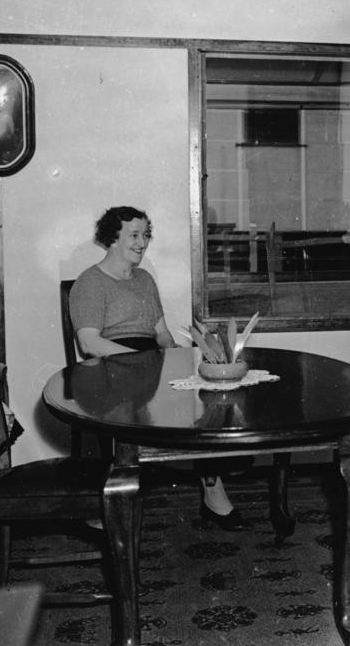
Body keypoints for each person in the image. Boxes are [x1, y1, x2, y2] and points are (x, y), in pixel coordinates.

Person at [69, 206, 249, 530]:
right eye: (134, 236)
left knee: (210, 401)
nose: (142, 243)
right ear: (112, 238)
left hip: (150, 366)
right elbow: (89, 343)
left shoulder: (144, 279)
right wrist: (139, 361)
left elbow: (162, 335)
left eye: (145, 235)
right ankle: (113, 501)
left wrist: (196, 360)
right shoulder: (90, 282)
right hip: (112, 368)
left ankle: (213, 489)